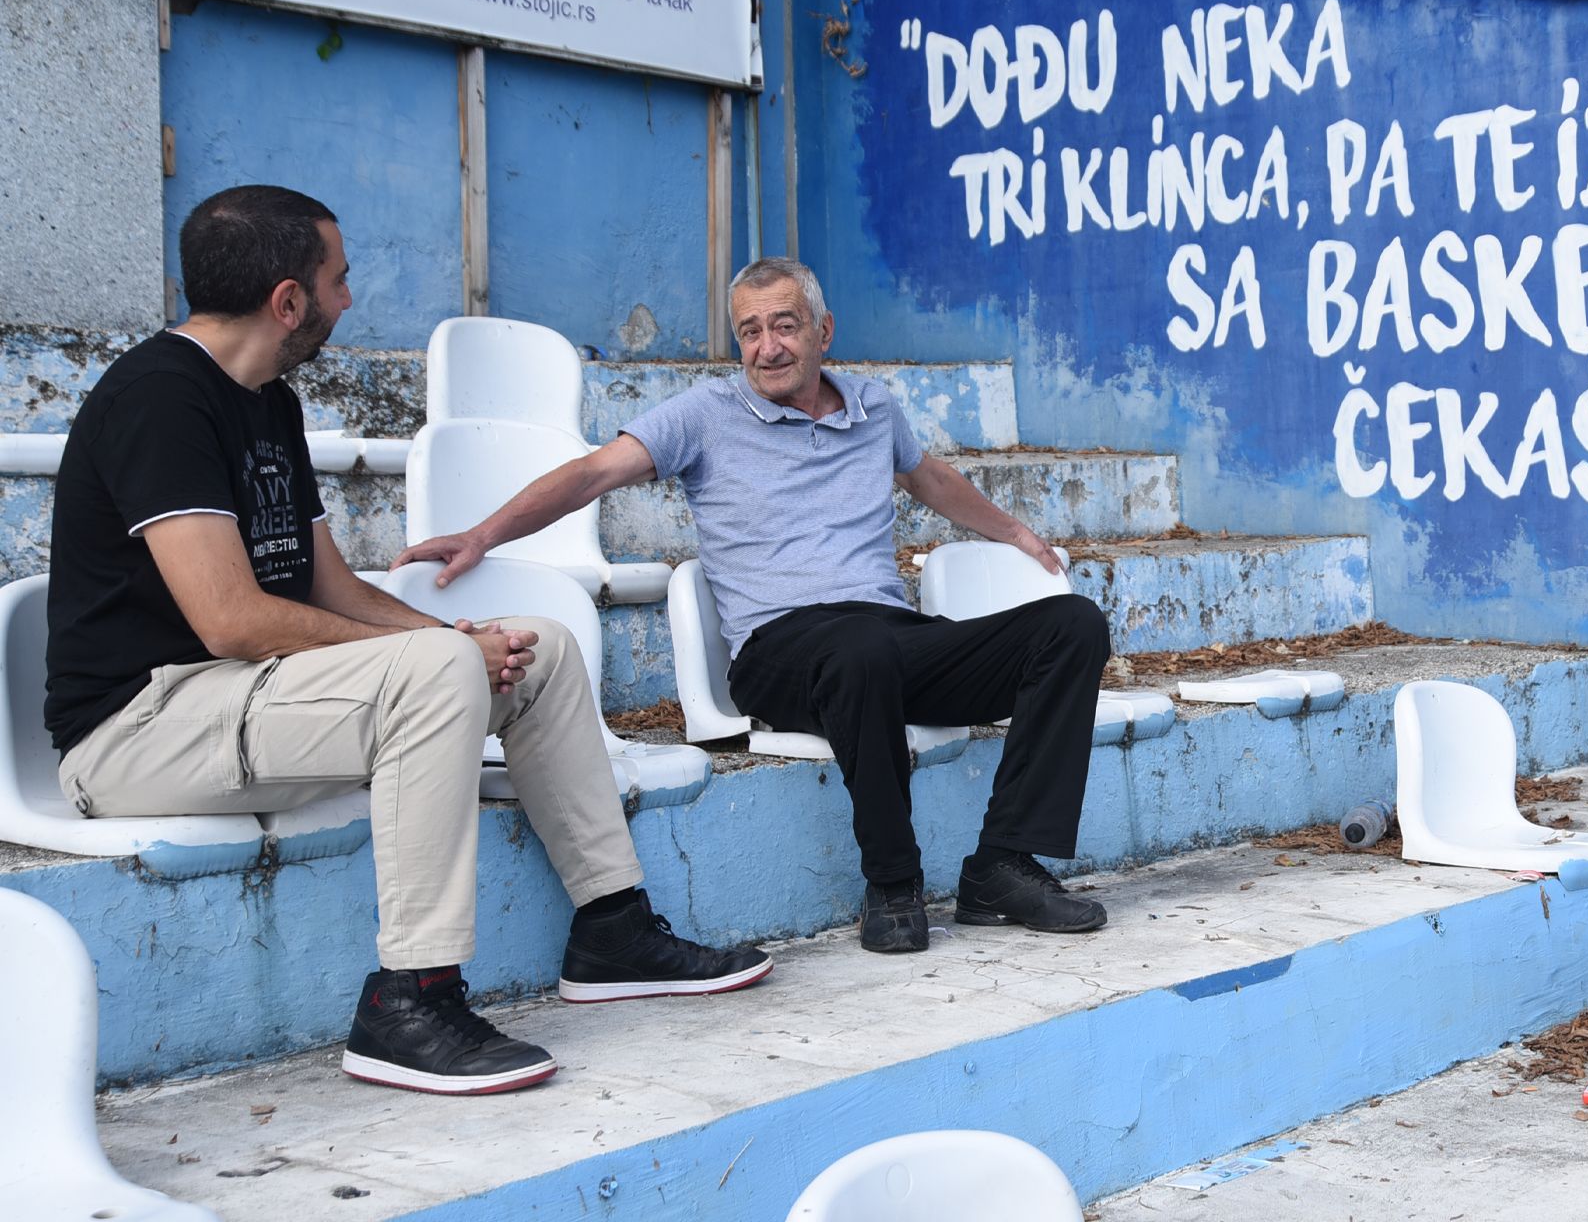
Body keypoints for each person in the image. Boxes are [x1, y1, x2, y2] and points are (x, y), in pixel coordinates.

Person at [45, 185, 771, 1097]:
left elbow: (331, 589)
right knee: (440, 670)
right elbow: (231, 619)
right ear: (288, 300)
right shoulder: (158, 399)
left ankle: (613, 931)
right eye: (338, 280)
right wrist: (442, 659)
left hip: (254, 701)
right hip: (142, 728)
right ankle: (409, 1001)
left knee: (538, 649)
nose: (348, 299)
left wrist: (464, 640)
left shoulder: (268, 402)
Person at [397, 257, 1112, 956]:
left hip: (888, 637)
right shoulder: (704, 415)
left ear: (823, 331)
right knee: (858, 652)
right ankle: (894, 884)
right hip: (781, 650)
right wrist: (481, 535)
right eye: (749, 331)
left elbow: (928, 478)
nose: (767, 348)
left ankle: (1002, 867)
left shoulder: (874, 408)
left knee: (1070, 625)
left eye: (784, 326)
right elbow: (591, 475)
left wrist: (1016, 533)